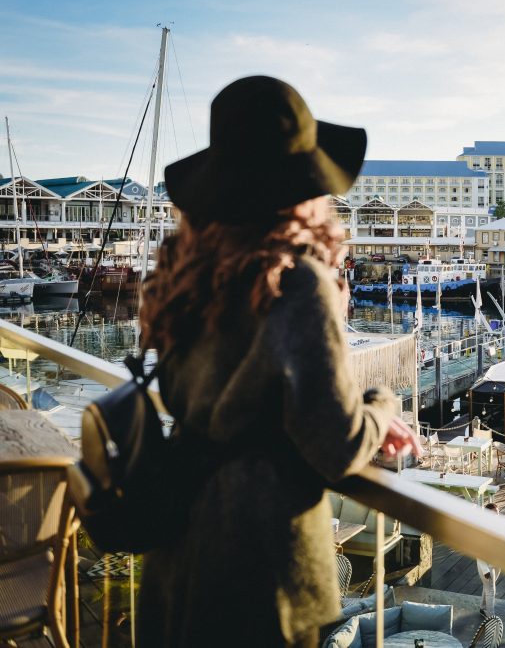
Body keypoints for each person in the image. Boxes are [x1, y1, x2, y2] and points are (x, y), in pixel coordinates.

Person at [136, 76, 421, 647]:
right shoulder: (298, 284)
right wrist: (382, 404)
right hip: (261, 564)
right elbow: (336, 445)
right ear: (307, 186)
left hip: (179, 543)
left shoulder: (187, 275)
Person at [478, 502, 501, 617]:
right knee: (491, 590)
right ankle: (491, 617)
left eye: (497, 513)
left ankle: (482, 608)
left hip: (496, 564)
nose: (497, 516)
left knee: (487, 586)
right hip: (486, 566)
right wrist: (485, 570)